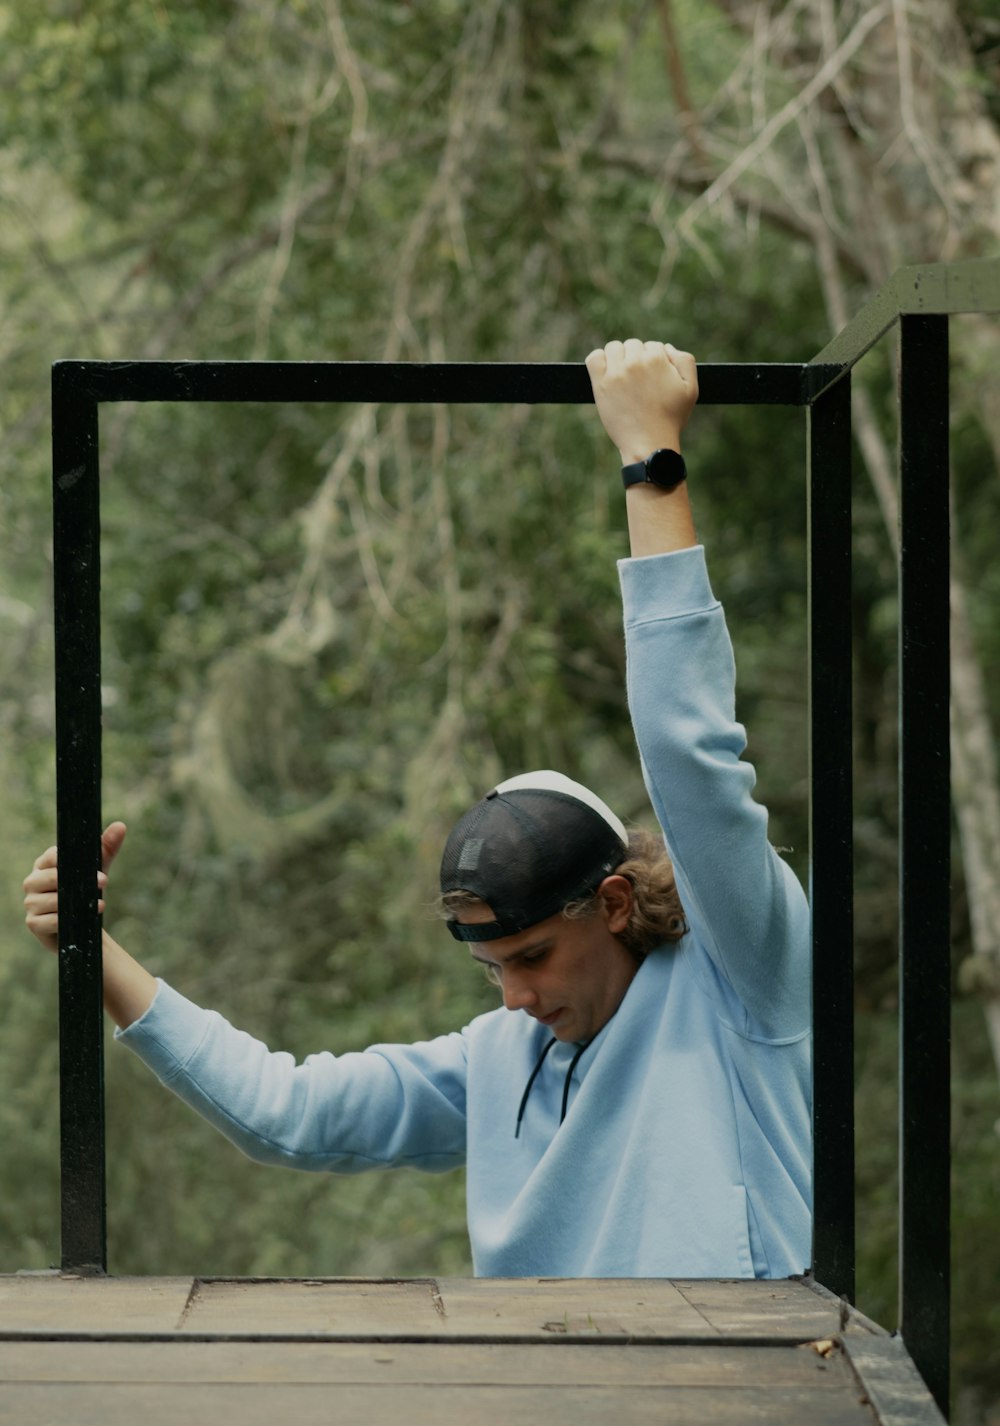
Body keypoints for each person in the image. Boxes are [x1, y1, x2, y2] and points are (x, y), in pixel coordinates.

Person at [24, 340, 812, 1279]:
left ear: (610, 904)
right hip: (565, 1412)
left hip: (747, 1394)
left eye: (530, 958)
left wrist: (650, 457)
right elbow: (289, 1116)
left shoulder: (741, 978)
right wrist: (93, 948)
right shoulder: (500, 1059)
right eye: (493, 972)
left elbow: (688, 752)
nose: (515, 998)